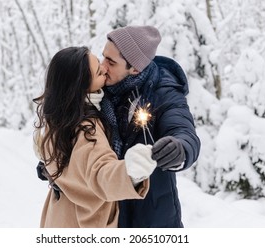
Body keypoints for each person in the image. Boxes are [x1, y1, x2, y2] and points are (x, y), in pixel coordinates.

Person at [33, 46, 157, 228]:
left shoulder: (59, 116)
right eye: (99, 71)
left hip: (59, 218)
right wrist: (130, 171)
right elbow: (101, 173)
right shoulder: (87, 129)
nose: (105, 68)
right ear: (80, 86)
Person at [99, 25, 201, 227]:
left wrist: (179, 148)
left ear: (135, 68)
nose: (102, 66)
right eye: (103, 57)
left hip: (152, 217)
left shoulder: (163, 92)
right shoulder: (97, 90)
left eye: (111, 62)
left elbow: (183, 130)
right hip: (107, 217)